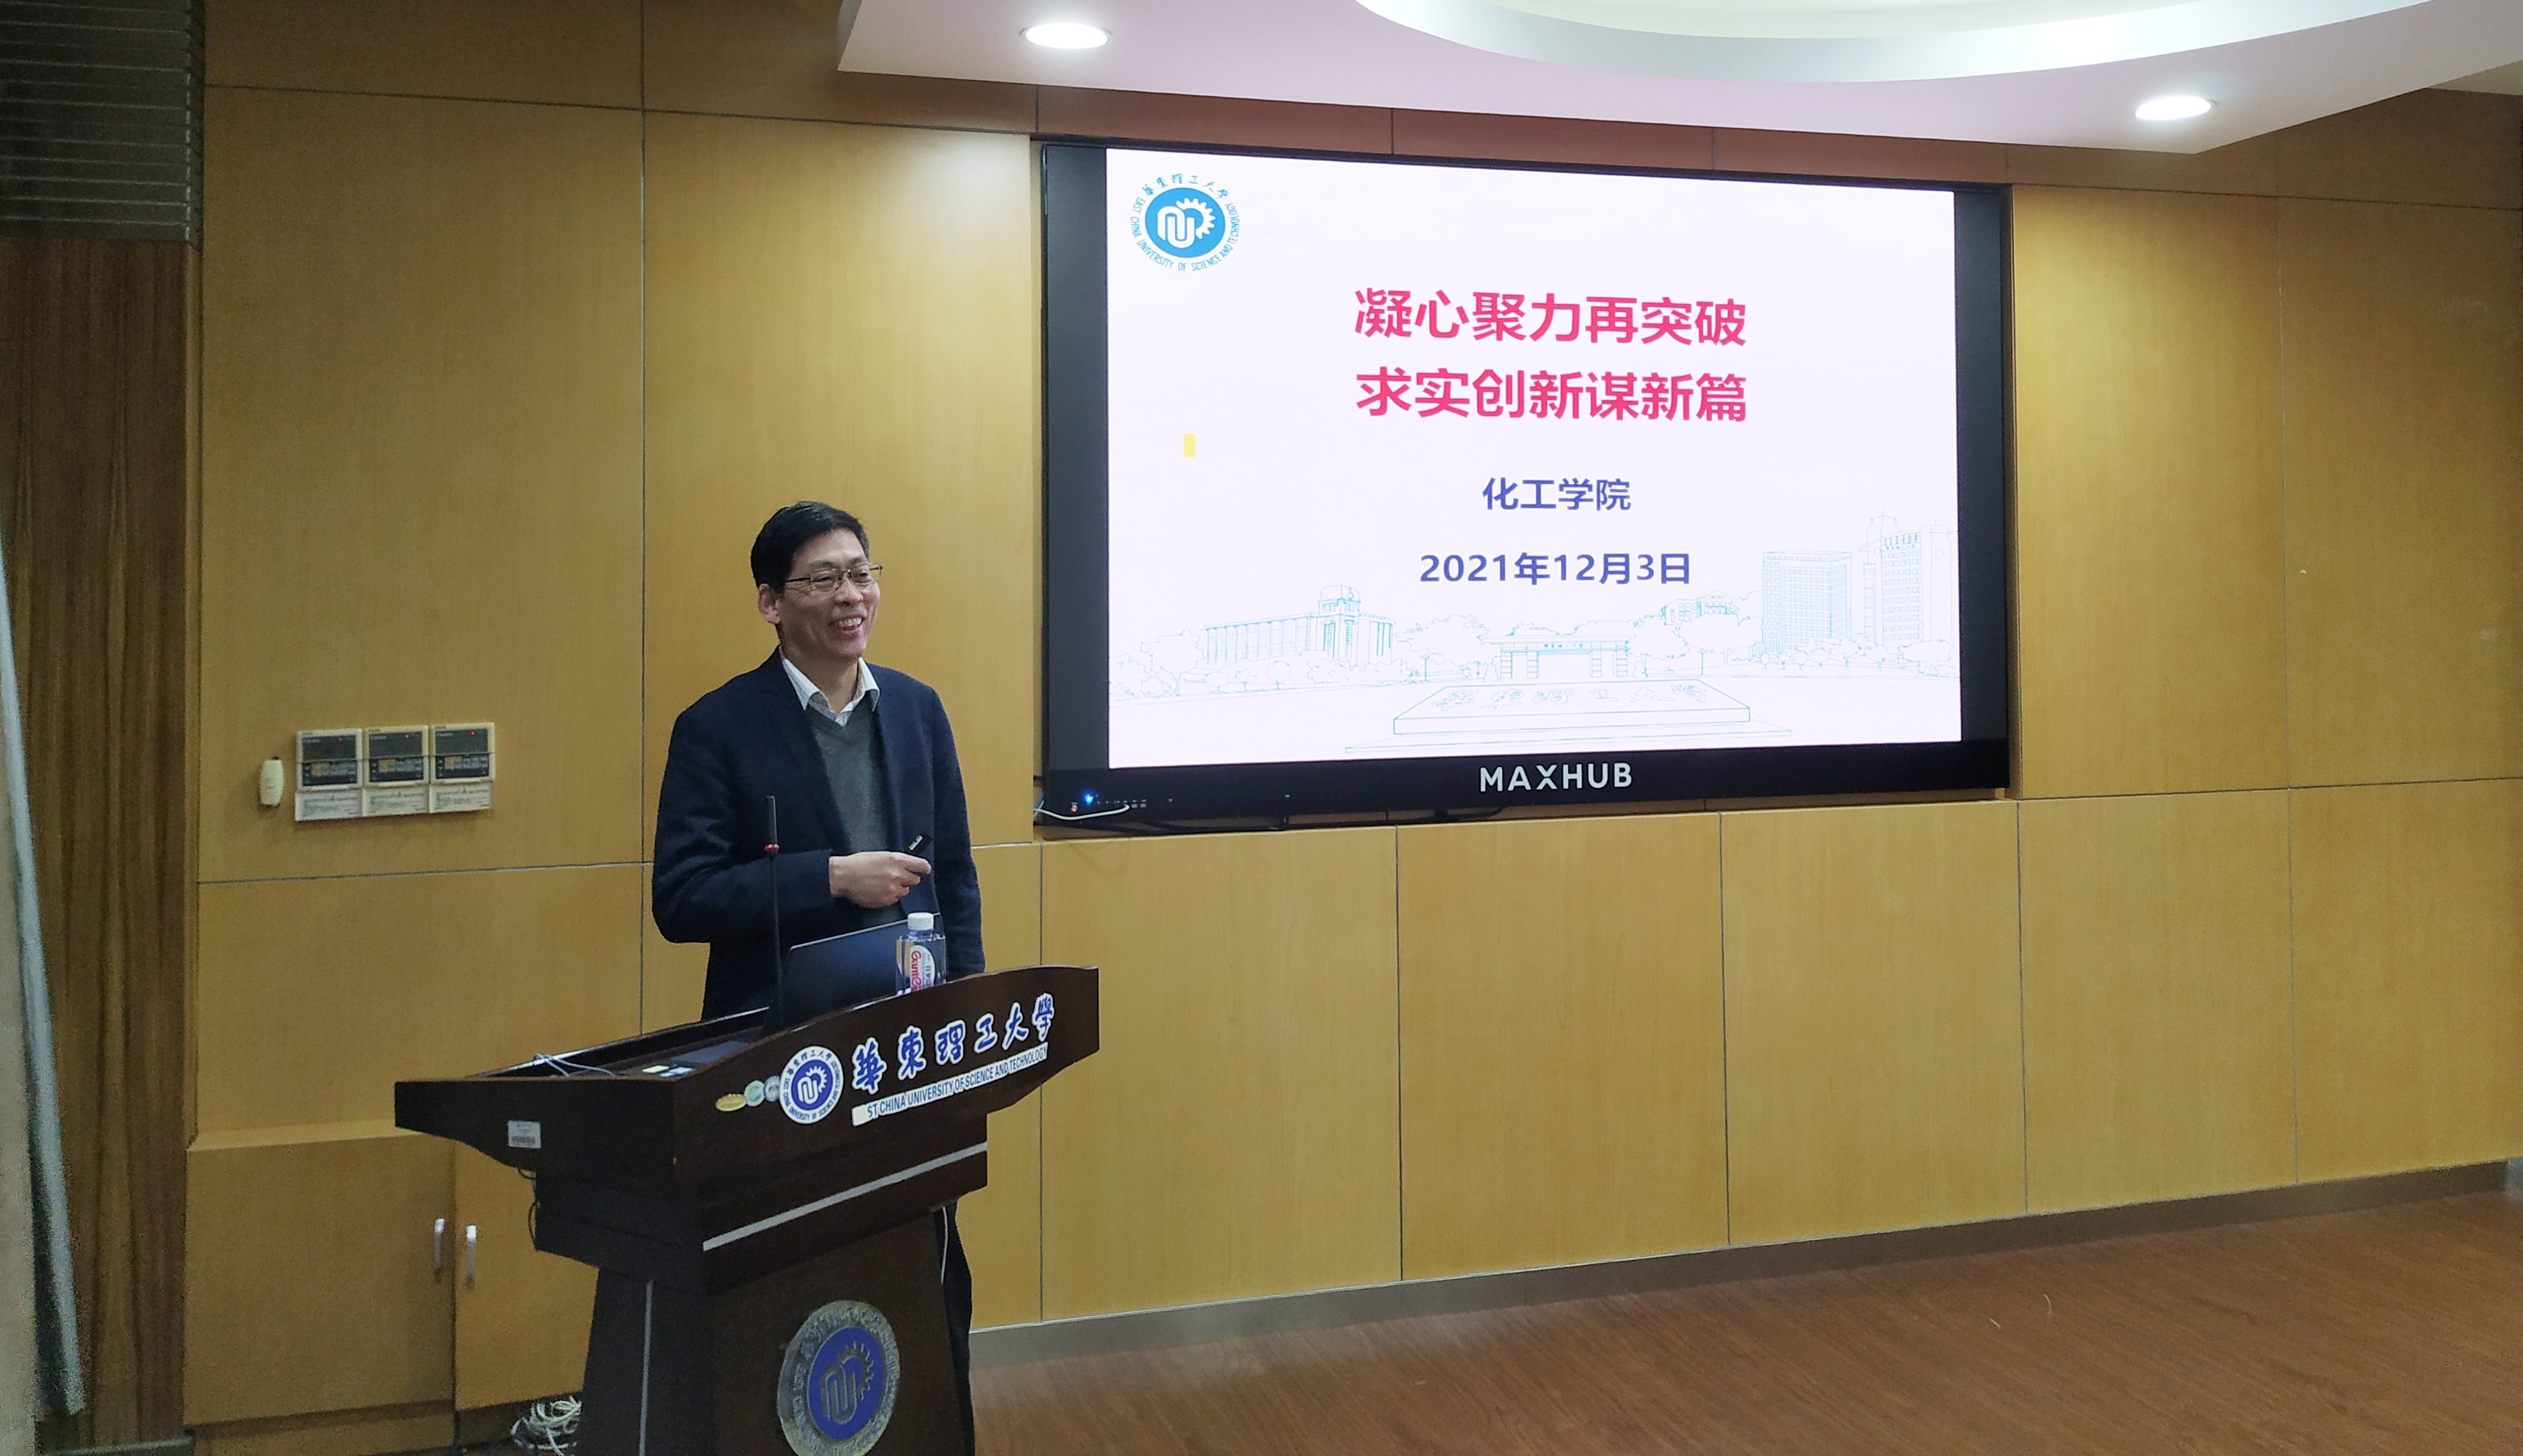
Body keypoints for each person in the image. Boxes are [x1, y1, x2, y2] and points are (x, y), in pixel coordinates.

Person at [652, 500, 981, 1449]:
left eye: (862, 573)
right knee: (784, 1290)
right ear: (772, 602)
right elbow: (682, 897)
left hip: (904, 1050)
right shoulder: (718, 726)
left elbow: (955, 876)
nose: (852, 596)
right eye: (824, 578)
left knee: (922, 1270)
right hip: (782, 1062)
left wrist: (966, 1013)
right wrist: (829, 877)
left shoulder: (916, 708)